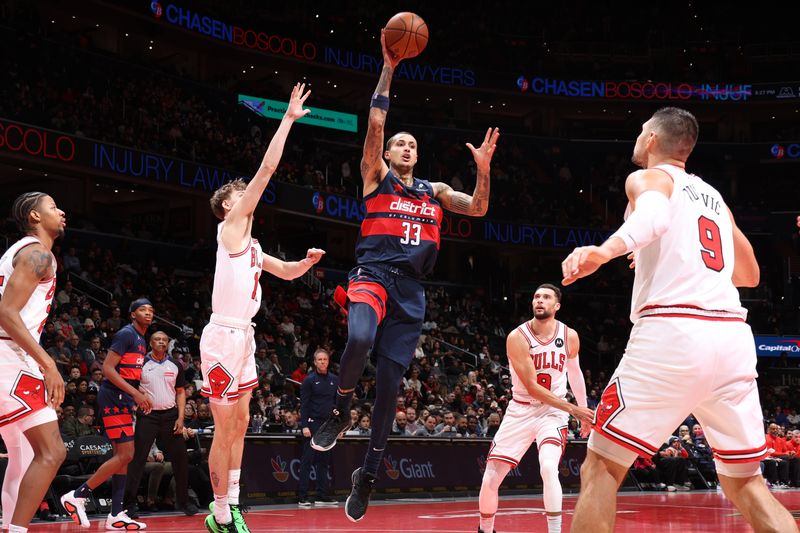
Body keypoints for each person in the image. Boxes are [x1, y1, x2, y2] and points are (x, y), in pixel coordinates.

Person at [561, 107, 798, 533]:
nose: (637, 137)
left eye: (640, 131)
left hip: (673, 334)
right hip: (731, 341)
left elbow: (654, 217)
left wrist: (604, 250)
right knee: (747, 484)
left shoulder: (649, 178)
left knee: (600, 468)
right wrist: (667, 249)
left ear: (652, 138)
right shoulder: (714, 198)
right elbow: (749, 274)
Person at [311, 29, 500, 523]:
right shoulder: (375, 177)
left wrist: (482, 168)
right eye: (400, 143)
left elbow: (479, 208)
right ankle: (340, 408)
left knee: (392, 388)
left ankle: (367, 474)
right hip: (373, 274)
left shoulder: (435, 192)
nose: (407, 147)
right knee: (357, 337)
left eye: (412, 143)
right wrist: (390, 67)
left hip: (412, 292)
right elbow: (376, 121)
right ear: (389, 154)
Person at [200, 83, 324, 533]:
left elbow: (286, 273)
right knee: (224, 424)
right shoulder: (231, 227)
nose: (245, 193)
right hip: (222, 335)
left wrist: (306, 263)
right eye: (239, 192)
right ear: (227, 207)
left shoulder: (250, 244)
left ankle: (231, 503)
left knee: (243, 421)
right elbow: (268, 169)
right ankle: (217, 512)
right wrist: (288, 118)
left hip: (245, 336)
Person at [477, 284, 593, 533]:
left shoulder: (569, 335)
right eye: (536, 297)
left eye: (546, 297)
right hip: (521, 409)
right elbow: (531, 387)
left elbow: (575, 372)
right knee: (491, 476)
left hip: (551, 413)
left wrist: (584, 411)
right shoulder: (517, 337)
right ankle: (485, 529)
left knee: (549, 467)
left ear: (557, 305)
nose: (540, 300)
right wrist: (576, 410)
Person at [0, 192, 67, 533]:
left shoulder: (18, 252)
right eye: (53, 206)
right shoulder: (37, 254)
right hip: (10, 356)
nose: (62, 211)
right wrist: (49, 364)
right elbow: (7, 314)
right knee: (52, 452)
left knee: (23, 457)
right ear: (34, 217)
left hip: (9, 356)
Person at [60, 298, 154, 530]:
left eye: (151, 310)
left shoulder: (141, 339)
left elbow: (126, 373)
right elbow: (108, 369)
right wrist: (136, 394)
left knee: (122, 457)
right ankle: (77, 495)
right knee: (125, 455)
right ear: (132, 314)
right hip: (113, 398)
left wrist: (139, 392)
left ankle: (115, 514)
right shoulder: (126, 334)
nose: (148, 313)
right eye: (142, 310)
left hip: (123, 398)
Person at [124, 331, 198, 517]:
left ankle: (183, 501)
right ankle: (129, 503)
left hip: (170, 415)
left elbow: (180, 391)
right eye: (157, 340)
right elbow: (130, 386)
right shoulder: (142, 363)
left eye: (165, 340)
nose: (161, 342)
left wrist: (181, 418)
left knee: (180, 459)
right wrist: (138, 396)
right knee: (138, 459)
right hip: (147, 416)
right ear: (150, 343)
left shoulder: (175, 364)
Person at [297, 348, 338, 507]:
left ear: (328, 361)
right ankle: (302, 496)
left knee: (324, 461)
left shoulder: (335, 379)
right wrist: (305, 425)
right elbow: (304, 404)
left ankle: (322, 495)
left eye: (325, 359)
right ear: (314, 362)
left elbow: (338, 405)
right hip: (313, 424)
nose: (322, 362)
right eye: (319, 359)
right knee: (307, 460)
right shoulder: (309, 380)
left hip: (328, 425)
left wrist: (338, 426)